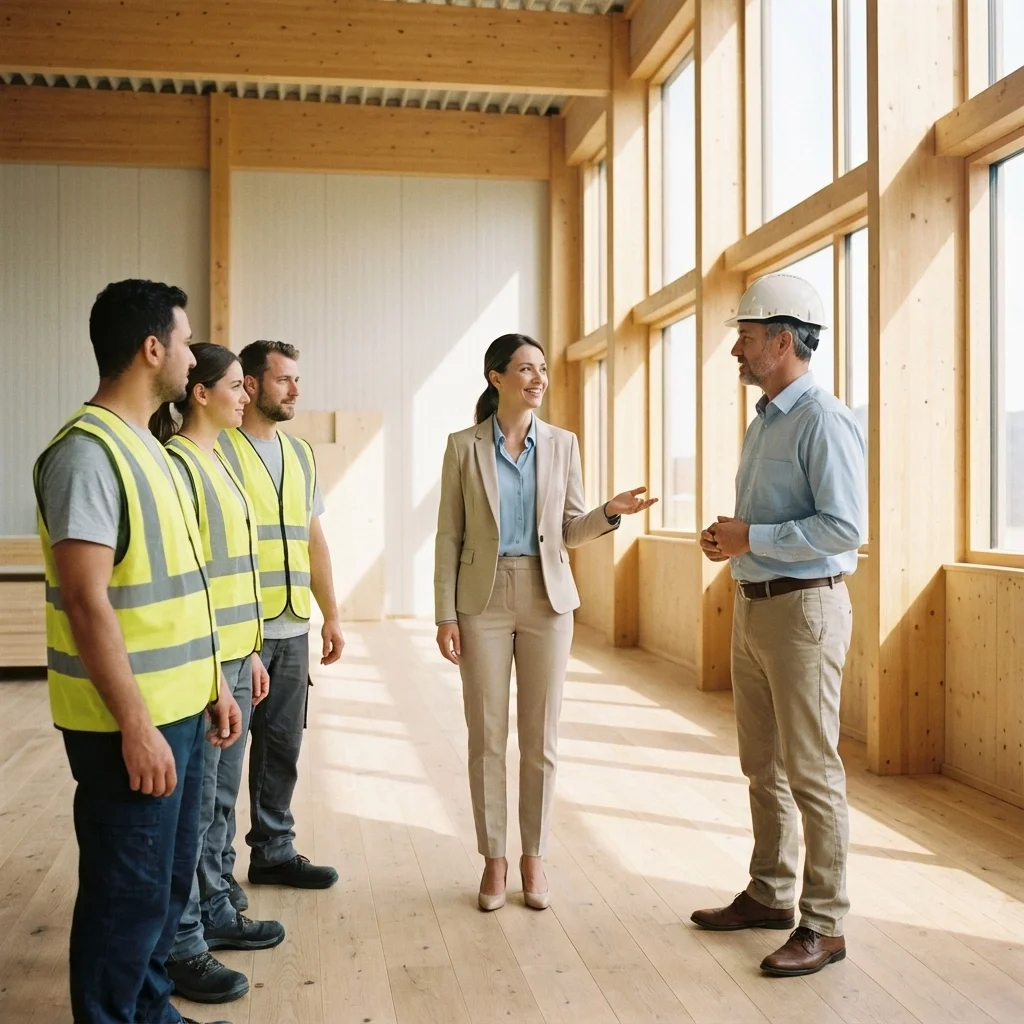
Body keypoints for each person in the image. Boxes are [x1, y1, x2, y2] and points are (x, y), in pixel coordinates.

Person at [33, 279, 243, 1024]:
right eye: (185, 342)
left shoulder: (147, 449)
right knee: (126, 894)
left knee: (162, 887)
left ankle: (151, 1011)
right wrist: (135, 725)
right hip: (131, 722)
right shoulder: (87, 454)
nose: (192, 358)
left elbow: (182, 585)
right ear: (152, 348)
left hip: (183, 707)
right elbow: (89, 603)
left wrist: (215, 680)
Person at [434, 333, 656, 911]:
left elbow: (570, 528)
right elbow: (448, 536)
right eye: (525, 369)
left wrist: (609, 513)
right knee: (486, 736)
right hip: (479, 600)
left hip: (547, 596)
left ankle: (534, 858)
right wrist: (443, 614)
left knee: (541, 739)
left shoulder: (562, 444)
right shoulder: (463, 447)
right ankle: (494, 860)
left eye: (542, 370)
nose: (538, 378)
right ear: (496, 377)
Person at [691, 274, 867, 977]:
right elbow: (765, 528)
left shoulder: (823, 418)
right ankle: (770, 894)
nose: (736, 347)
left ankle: (824, 924)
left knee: (812, 770)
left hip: (805, 611)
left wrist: (751, 536)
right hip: (756, 607)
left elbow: (844, 526)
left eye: (746, 335)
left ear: (782, 340)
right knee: (761, 763)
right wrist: (735, 542)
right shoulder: (765, 418)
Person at [151, 344, 285, 1004]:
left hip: (236, 657)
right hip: (208, 668)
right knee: (196, 812)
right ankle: (182, 945)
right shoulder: (180, 465)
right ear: (199, 394)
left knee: (219, 806)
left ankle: (214, 913)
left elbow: (238, 571)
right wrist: (212, 677)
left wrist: (253, 649)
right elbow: (193, 581)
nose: (245, 394)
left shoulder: (221, 459)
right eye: (235, 385)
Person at [219, 340, 343, 889]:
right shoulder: (218, 450)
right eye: (284, 380)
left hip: (293, 627)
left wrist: (331, 616)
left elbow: (313, 538)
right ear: (249, 383)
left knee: (283, 748)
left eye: (297, 379)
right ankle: (214, 881)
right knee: (224, 762)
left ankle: (272, 851)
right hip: (240, 631)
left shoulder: (301, 455)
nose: (296, 390)